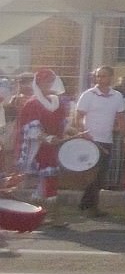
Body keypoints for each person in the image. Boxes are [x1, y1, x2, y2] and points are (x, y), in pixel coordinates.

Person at [71, 65, 125, 216]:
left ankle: (87, 205)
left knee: (101, 175)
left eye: (103, 76)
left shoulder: (117, 96)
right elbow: (78, 116)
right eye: (98, 76)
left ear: (111, 78)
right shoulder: (88, 95)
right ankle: (89, 206)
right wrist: (82, 132)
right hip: (90, 140)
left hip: (106, 140)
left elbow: (121, 118)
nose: (100, 79)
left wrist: (123, 137)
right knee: (92, 173)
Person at [10, 69, 68, 208]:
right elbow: (30, 128)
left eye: (50, 81)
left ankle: (42, 209)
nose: (48, 84)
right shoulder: (33, 103)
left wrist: (70, 133)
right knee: (44, 177)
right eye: (44, 81)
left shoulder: (58, 103)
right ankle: (43, 211)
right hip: (38, 147)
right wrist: (46, 138)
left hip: (54, 146)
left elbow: (62, 124)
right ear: (38, 83)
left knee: (49, 178)